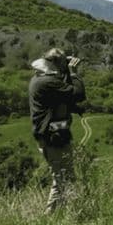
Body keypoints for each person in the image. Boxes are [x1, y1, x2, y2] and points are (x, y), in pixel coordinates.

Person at [28, 48, 85, 213]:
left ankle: (64, 211)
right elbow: (78, 93)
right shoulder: (47, 82)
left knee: (64, 176)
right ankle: (50, 215)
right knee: (62, 178)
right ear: (54, 64)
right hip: (52, 137)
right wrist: (73, 72)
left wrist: (64, 68)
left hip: (53, 135)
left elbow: (62, 94)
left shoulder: (40, 78)